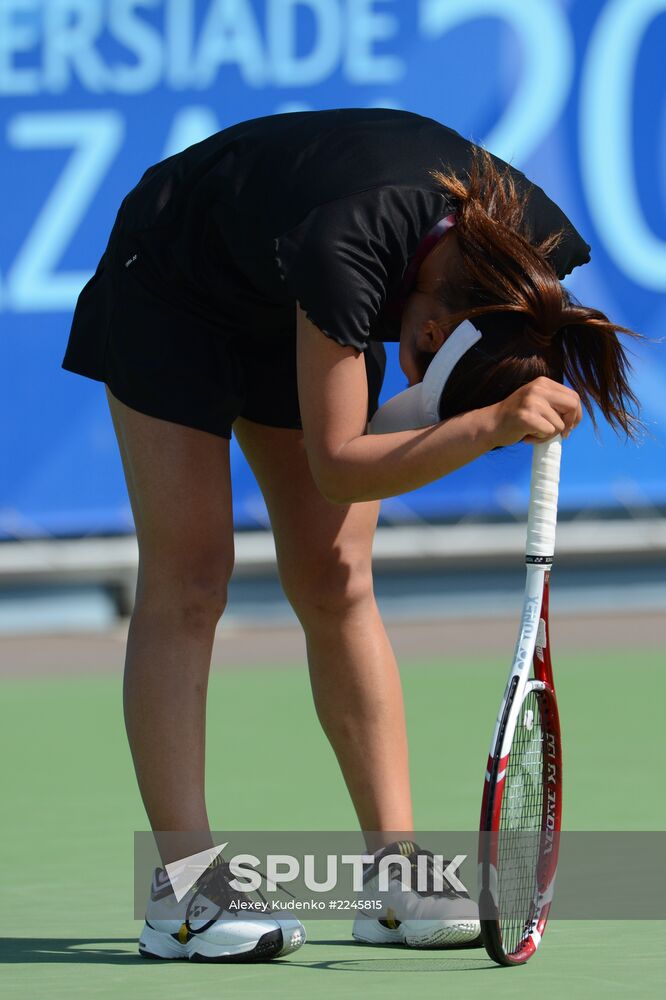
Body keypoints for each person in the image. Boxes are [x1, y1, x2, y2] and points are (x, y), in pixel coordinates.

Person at [62, 108, 639, 962]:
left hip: (286, 284)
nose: (410, 366)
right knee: (192, 577)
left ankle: (395, 878)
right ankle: (182, 894)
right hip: (174, 279)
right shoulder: (351, 249)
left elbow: (415, 416)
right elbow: (340, 464)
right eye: (421, 353)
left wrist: (509, 398)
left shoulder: (531, 252)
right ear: (437, 323)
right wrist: (486, 428)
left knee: (337, 574)